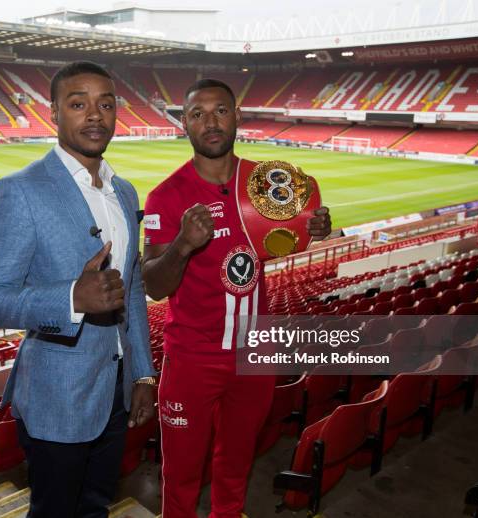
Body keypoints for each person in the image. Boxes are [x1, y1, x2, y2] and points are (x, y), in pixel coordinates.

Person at [0, 61, 156, 518]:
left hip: (115, 393)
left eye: (106, 104)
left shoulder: (126, 193)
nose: (95, 115)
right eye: (79, 104)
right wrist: (72, 298)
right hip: (58, 398)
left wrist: (143, 375)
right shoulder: (20, 191)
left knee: (96, 507)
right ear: (53, 112)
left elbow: (130, 291)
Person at [141, 78, 331, 518]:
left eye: (220, 110)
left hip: (254, 356)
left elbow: (290, 237)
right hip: (192, 357)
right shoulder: (165, 197)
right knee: (182, 473)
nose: (210, 122)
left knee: (236, 465)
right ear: (184, 124)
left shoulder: (266, 184)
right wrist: (182, 246)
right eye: (197, 113)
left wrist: (314, 228)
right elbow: (153, 284)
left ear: (237, 117)